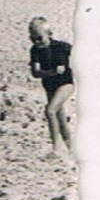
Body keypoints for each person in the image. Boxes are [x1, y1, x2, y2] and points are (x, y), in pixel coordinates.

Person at [28, 17, 75, 155]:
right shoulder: (35, 50)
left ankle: (56, 148)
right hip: (49, 85)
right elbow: (35, 73)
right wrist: (51, 72)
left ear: (49, 34)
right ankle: (70, 147)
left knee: (50, 111)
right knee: (60, 118)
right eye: (33, 39)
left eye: (40, 38)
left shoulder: (61, 47)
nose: (37, 42)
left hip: (64, 84)